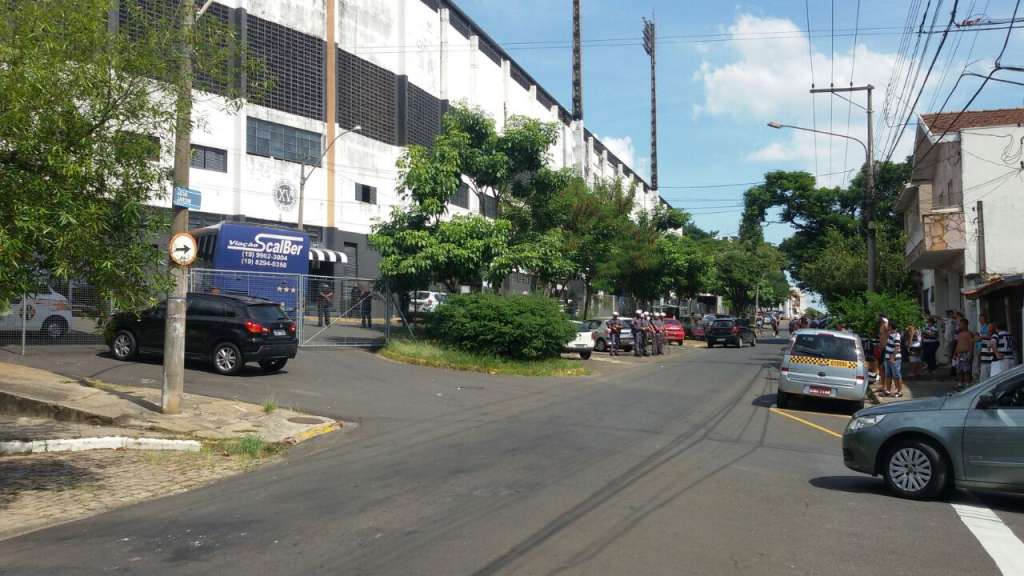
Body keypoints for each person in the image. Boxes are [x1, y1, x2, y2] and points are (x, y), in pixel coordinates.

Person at [953, 318, 974, 391]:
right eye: (959, 324)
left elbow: (971, 344)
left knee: (966, 370)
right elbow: (958, 344)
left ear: (965, 325)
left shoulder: (969, 333)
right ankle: (960, 383)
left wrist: (970, 354)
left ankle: (968, 383)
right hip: (959, 354)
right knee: (959, 370)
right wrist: (955, 354)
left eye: (961, 324)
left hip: (966, 353)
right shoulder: (959, 334)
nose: (959, 326)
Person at [884, 318, 903, 397]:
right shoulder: (889, 335)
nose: (887, 327)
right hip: (887, 357)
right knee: (888, 375)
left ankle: (899, 391)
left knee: (896, 375)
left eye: (888, 326)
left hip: (894, 358)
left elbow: (897, 347)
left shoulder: (896, 335)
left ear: (891, 326)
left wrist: (892, 357)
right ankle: (888, 390)